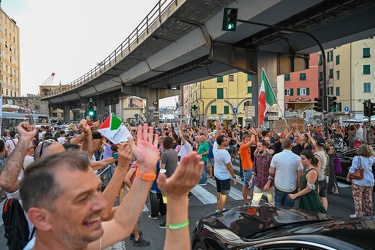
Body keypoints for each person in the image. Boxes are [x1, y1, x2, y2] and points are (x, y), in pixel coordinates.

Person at [19, 123, 203, 250]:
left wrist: (175, 199)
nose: (102, 204)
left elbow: (122, 224)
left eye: (97, 190)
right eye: (83, 198)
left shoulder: (70, 240)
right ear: (41, 218)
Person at [269, 138, 303, 207]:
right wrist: (298, 185)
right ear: (291, 146)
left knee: (278, 207)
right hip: (291, 186)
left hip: (279, 184)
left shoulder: (276, 156)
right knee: (289, 208)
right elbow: (300, 174)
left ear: (282, 146)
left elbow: (271, 171)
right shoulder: (297, 158)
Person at [346, 144, 374, 218]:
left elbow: (352, 169)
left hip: (359, 181)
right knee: (368, 198)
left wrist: (348, 176)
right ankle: (369, 213)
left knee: (357, 199)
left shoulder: (357, 158)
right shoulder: (371, 158)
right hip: (369, 181)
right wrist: (371, 151)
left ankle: (359, 214)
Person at [214, 135, 237, 211]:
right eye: (225, 140)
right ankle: (220, 211)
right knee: (224, 195)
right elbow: (229, 167)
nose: (227, 141)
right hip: (224, 176)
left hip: (217, 174)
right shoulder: (225, 153)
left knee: (219, 191)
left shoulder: (215, 148)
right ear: (222, 143)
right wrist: (234, 177)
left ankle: (218, 207)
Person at [250, 139, 273, 206]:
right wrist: (251, 179)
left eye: (259, 146)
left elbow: (272, 173)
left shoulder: (269, 157)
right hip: (258, 182)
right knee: (254, 203)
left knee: (271, 203)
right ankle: (253, 215)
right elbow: (254, 169)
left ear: (264, 147)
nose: (257, 148)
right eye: (257, 146)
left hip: (268, 183)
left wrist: (268, 184)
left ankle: (271, 216)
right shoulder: (257, 156)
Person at [239, 131, 257, 205]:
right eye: (247, 140)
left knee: (246, 185)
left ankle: (246, 202)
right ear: (243, 141)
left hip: (248, 168)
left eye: (249, 140)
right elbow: (253, 141)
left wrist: (255, 135)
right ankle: (252, 203)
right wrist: (253, 133)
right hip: (248, 169)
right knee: (252, 187)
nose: (249, 141)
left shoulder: (247, 147)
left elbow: (255, 142)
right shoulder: (243, 147)